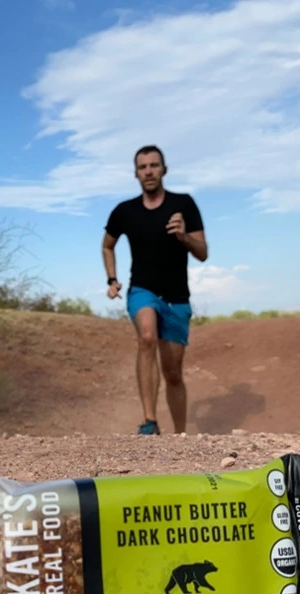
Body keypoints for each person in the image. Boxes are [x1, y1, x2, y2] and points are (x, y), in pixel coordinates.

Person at [101, 144, 208, 435]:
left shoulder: (184, 205)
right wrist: (112, 279)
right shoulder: (125, 211)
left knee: (173, 372)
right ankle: (150, 422)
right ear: (136, 173)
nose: (148, 171)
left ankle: (180, 435)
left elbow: (203, 252)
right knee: (146, 337)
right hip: (142, 290)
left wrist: (184, 236)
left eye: (154, 165)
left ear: (164, 169)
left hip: (176, 298)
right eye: (142, 167)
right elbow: (107, 245)